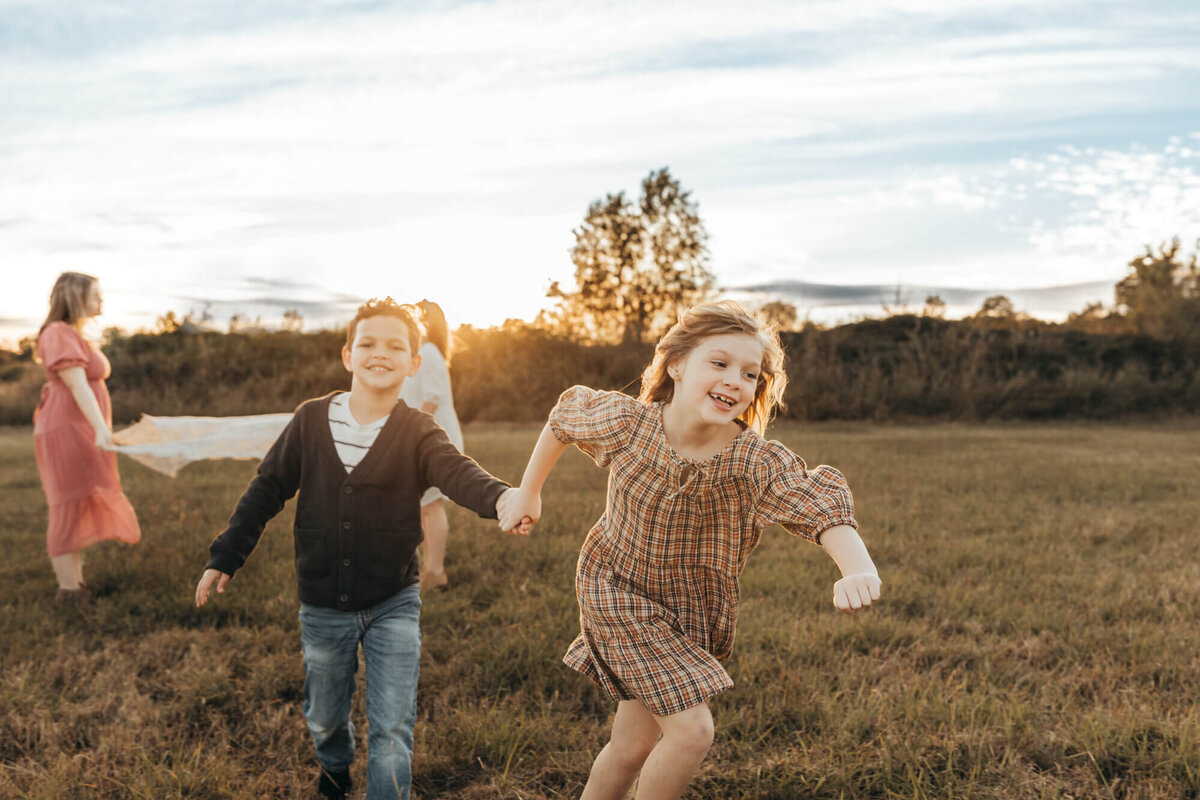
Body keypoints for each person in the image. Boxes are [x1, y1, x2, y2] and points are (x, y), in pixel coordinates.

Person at [497, 301, 881, 800]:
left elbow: (814, 504)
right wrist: (529, 491)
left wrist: (857, 567)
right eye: (718, 363)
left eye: (750, 373)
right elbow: (565, 420)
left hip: (685, 613)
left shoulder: (751, 460)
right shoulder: (629, 423)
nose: (735, 381)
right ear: (676, 364)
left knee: (630, 747)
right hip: (616, 591)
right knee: (692, 730)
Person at [194, 298, 530, 800]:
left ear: (414, 364)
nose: (381, 353)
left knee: (393, 729)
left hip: (394, 601)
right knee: (325, 718)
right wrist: (225, 555)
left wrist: (502, 497)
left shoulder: (417, 430)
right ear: (348, 355)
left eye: (396, 346)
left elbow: (456, 471)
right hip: (322, 605)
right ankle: (334, 769)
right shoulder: (309, 421)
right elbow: (266, 489)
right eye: (368, 343)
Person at [33, 272, 141, 604]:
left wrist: (98, 426)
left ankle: (77, 586)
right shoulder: (57, 333)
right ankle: (68, 592)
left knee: (79, 502)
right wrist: (100, 428)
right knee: (67, 504)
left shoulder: (72, 334)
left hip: (80, 426)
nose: (101, 301)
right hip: (68, 429)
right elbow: (78, 385)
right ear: (76, 297)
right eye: (96, 295)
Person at [398, 299, 462, 591]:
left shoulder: (429, 352)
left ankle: (435, 572)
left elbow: (431, 399)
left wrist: (414, 435)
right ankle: (428, 569)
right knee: (425, 505)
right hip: (424, 436)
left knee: (431, 504)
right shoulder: (422, 352)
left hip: (433, 439)